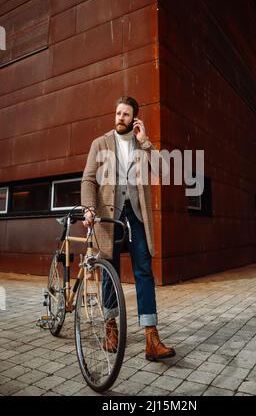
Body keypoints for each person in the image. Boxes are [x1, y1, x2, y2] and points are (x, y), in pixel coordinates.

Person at [81, 95, 175, 361]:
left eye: (125, 114)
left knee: (144, 270)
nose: (119, 117)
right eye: (117, 113)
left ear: (134, 118)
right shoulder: (99, 143)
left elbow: (164, 172)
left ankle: (151, 337)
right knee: (109, 271)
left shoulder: (141, 145)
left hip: (136, 217)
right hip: (109, 217)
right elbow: (88, 180)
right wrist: (89, 208)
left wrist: (145, 141)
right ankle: (111, 327)